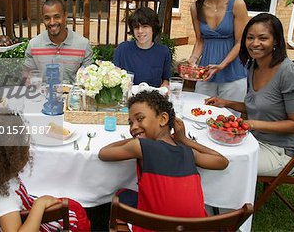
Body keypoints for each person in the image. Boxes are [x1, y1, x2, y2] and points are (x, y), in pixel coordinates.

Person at [98, 91, 228, 222]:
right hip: (194, 227)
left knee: (122, 194)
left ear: (163, 119)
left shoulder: (139, 147)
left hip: (153, 227)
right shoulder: (188, 151)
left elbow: (104, 153)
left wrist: (134, 140)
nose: (133, 127)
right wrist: (185, 140)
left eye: (140, 119)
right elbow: (222, 161)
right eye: (130, 123)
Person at [205, 13, 294, 176]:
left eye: (263, 38)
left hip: (280, 152)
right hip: (252, 141)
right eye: (250, 38)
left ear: (275, 40)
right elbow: (259, 106)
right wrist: (225, 102)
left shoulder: (289, 72)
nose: (255, 44)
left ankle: (228, 201)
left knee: (219, 163)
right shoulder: (253, 66)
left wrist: (252, 124)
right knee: (207, 151)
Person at [0, 112, 91, 231]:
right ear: (11, 158)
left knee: (71, 206)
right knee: (76, 215)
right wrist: (39, 205)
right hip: (34, 223)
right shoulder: (5, 201)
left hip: (19, 215)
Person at [188, 0, 249, 105]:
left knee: (229, 121)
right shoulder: (196, 7)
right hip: (206, 74)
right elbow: (200, 40)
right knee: (201, 117)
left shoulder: (237, 4)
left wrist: (222, 65)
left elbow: (240, 42)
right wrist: (193, 60)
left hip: (233, 75)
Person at [23, 0, 93, 84]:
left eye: (57, 17)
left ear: (65, 16)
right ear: (43, 19)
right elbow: (28, 77)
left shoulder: (83, 45)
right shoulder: (33, 45)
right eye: (47, 18)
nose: (52, 22)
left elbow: (89, 80)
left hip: (73, 96)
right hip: (43, 95)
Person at [113, 7, 171, 88]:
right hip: (128, 97)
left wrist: (165, 86)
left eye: (145, 26)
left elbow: (166, 79)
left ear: (153, 28)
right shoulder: (123, 49)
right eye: (136, 27)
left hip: (153, 97)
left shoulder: (163, 52)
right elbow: (114, 76)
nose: (140, 31)